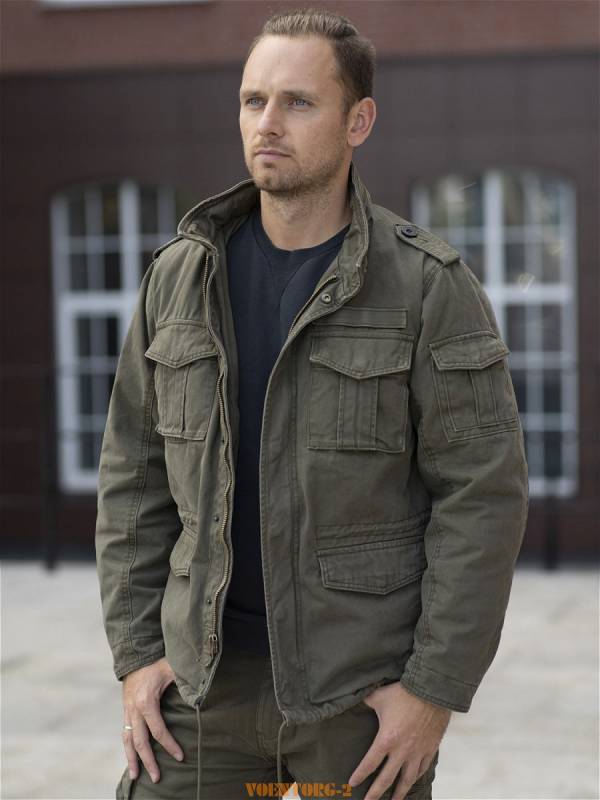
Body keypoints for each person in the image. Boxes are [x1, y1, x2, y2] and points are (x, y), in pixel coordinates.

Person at [95, 8, 529, 800]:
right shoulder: (180, 278)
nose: (267, 122)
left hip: (357, 702)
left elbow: (482, 497)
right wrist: (136, 656)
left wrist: (432, 691)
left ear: (358, 121)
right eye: (253, 100)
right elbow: (134, 475)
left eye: (298, 101)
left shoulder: (427, 286)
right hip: (203, 693)